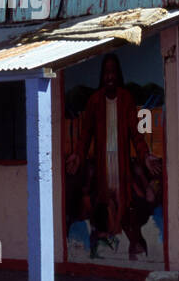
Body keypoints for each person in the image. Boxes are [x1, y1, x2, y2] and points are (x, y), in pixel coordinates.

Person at [66, 54, 162, 259]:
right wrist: (77, 155)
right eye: (106, 72)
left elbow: (136, 135)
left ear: (118, 74)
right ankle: (106, 242)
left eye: (113, 72)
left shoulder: (126, 98)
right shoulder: (94, 101)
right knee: (103, 202)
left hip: (121, 164)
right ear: (103, 75)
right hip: (103, 164)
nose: (110, 76)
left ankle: (134, 244)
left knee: (125, 202)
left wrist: (145, 156)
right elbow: (85, 135)